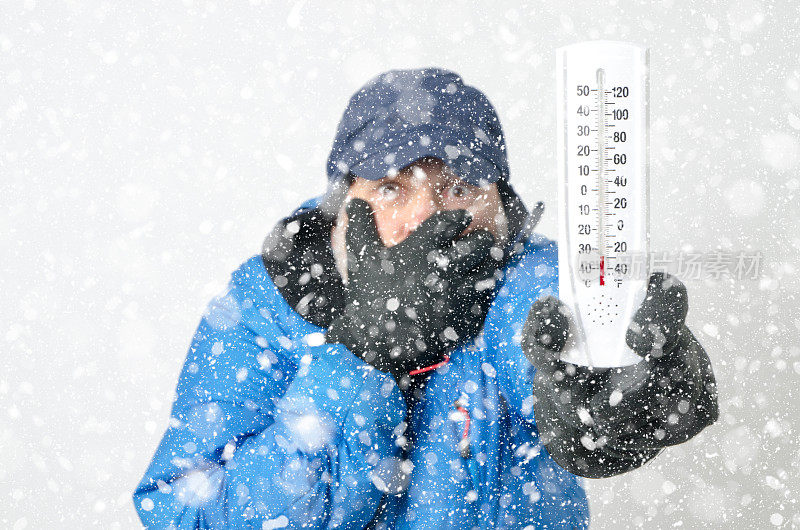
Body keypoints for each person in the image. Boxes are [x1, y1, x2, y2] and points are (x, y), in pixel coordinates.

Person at [133, 68, 718, 528]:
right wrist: (361, 361)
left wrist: (614, 391)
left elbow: (557, 342)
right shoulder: (261, 309)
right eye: (390, 187)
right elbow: (185, 513)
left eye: (459, 188)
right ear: (342, 201)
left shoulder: (533, 284)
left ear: (499, 205)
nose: (424, 217)